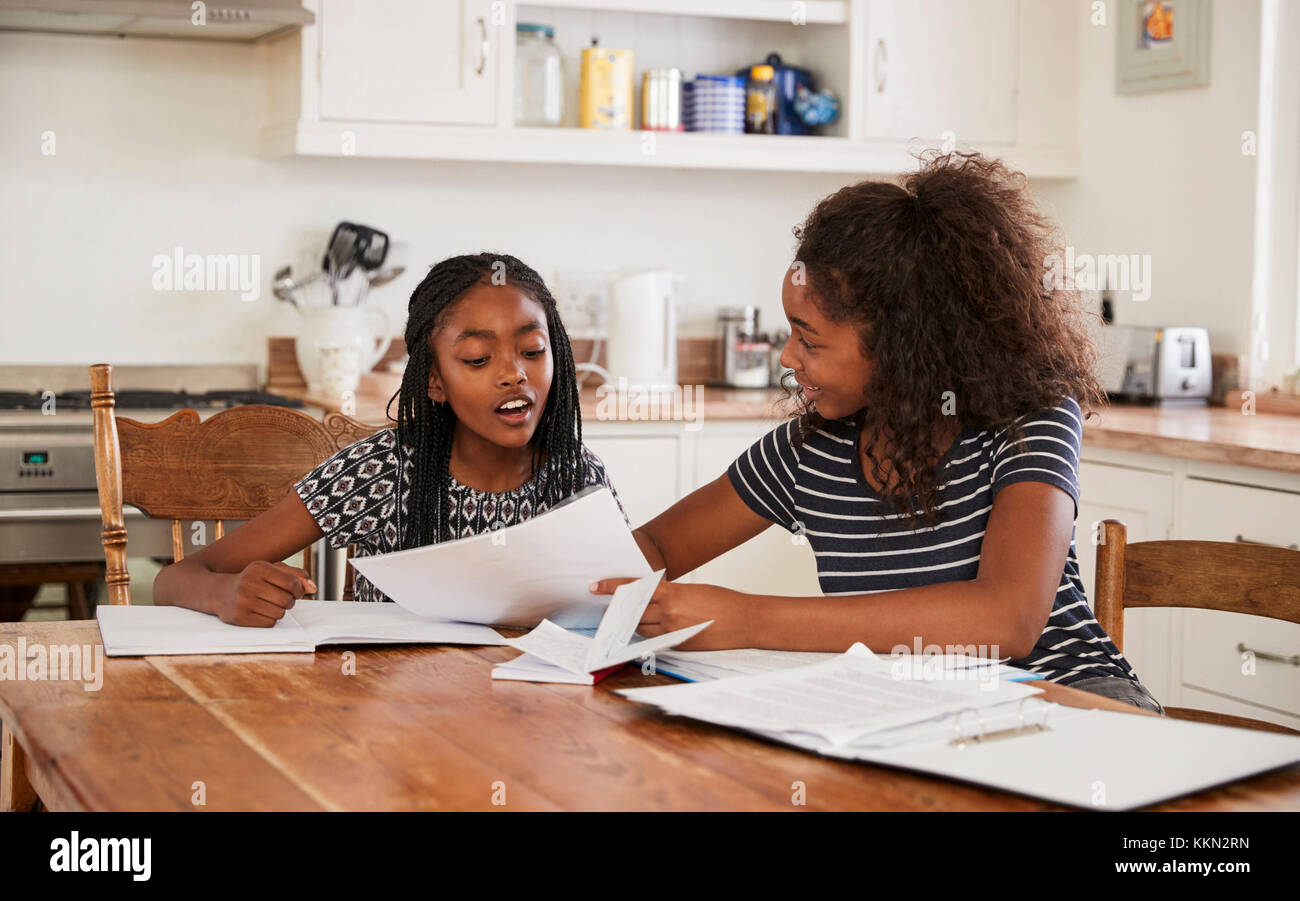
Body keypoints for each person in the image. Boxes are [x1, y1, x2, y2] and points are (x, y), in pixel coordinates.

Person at [590, 151, 1164, 714]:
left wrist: (747, 619)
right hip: (917, 713)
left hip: (1075, 698)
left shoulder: (1029, 419)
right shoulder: (809, 453)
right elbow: (659, 548)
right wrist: (556, 588)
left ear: (903, 347)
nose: (788, 357)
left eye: (809, 339)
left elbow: (1005, 619)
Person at [154, 252, 627, 624]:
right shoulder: (382, 471)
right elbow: (176, 580)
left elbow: (622, 605)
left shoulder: (577, 476)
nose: (514, 374)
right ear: (434, 381)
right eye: (478, 358)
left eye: (533, 350)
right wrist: (224, 594)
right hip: (394, 728)